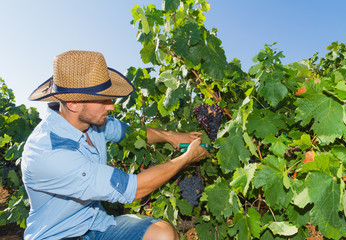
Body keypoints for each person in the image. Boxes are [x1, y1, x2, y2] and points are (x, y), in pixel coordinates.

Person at [21, 50, 209, 240]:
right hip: (58, 236)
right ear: (74, 103)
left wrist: (172, 136)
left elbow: (131, 133)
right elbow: (134, 189)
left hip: (97, 227)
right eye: (103, 99)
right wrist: (187, 158)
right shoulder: (49, 153)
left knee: (163, 234)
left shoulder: (93, 124)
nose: (111, 106)